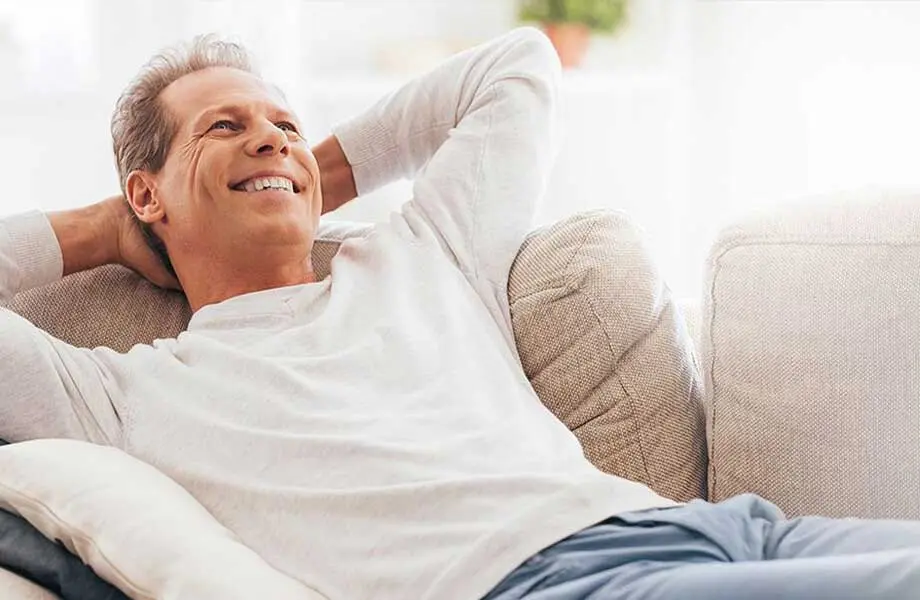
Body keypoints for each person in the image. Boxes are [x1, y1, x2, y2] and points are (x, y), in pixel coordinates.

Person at [1, 27, 919, 600]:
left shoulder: (423, 255)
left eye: (279, 120)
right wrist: (101, 231)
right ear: (146, 193)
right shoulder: (117, 396)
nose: (269, 133)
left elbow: (515, 69)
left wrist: (297, 175)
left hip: (732, 531)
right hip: (551, 584)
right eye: (222, 127)